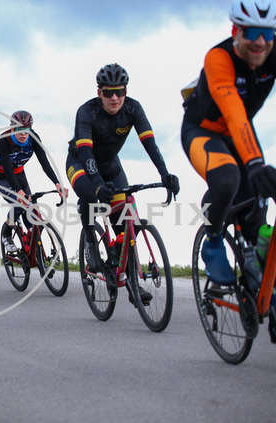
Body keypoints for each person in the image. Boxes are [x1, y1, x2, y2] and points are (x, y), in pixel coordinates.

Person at [181, 0, 276, 334]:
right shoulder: (218, 58)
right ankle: (213, 239)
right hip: (203, 131)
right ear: (236, 30)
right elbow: (233, 109)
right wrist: (255, 163)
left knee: (258, 219)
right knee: (227, 180)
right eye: (252, 33)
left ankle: (261, 284)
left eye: (268, 34)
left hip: (240, 134)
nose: (260, 42)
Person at [66, 63, 180, 304]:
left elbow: (150, 143)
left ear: (126, 91)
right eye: (108, 92)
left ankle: (130, 281)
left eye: (120, 91)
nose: (115, 97)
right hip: (80, 163)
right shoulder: (87, 112)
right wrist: (98, 185)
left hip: (111, 166)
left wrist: (165, 175)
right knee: (91, 194)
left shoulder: (132, 108)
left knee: (126, 224)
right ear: (99, 93)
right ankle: (90, 239)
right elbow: (86, 153)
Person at [0, 110, 68, 252]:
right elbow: (8, 169)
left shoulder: (33, 138)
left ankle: (30, 242)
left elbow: (44, 163)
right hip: (1, 176)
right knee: (19, 202)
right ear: (12, 128)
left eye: (26, 130)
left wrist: (57, 183)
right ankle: (7, 232)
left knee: (31, 208)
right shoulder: (4, 140)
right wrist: (19, 191)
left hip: (19, 173)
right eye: (19, 130)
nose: (23, 134)